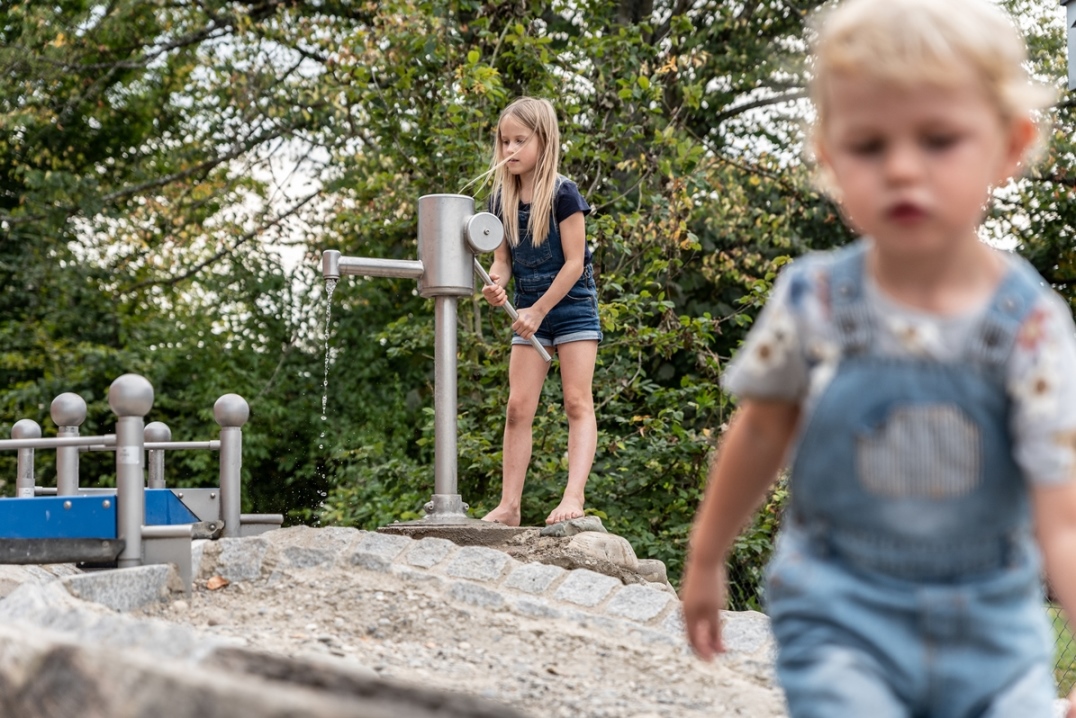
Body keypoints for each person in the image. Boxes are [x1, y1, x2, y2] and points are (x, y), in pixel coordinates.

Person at [680, 0, 1076, 715]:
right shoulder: (814, 302)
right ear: (830, 156)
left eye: (938, 139)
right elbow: (762, 429)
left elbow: (1063, 509)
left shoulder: (1031, 328)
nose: (900, 168)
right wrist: (706, 558)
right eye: (868, 146)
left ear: (1009, 147)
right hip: (841, 617)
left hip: (994, 633)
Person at [477, 96, 601, 527]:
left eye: (519, 141)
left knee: (576, 401)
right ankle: (510, 506)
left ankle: (573, 497)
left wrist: (538, 310)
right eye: (503, 141)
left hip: (572, 307)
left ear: (543, 141)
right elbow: (502, 260)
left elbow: (574, 263)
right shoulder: (500, 200)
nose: (509, 150)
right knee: (517, 408)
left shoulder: (565, 195)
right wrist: (498, 283)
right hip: (529, 307)